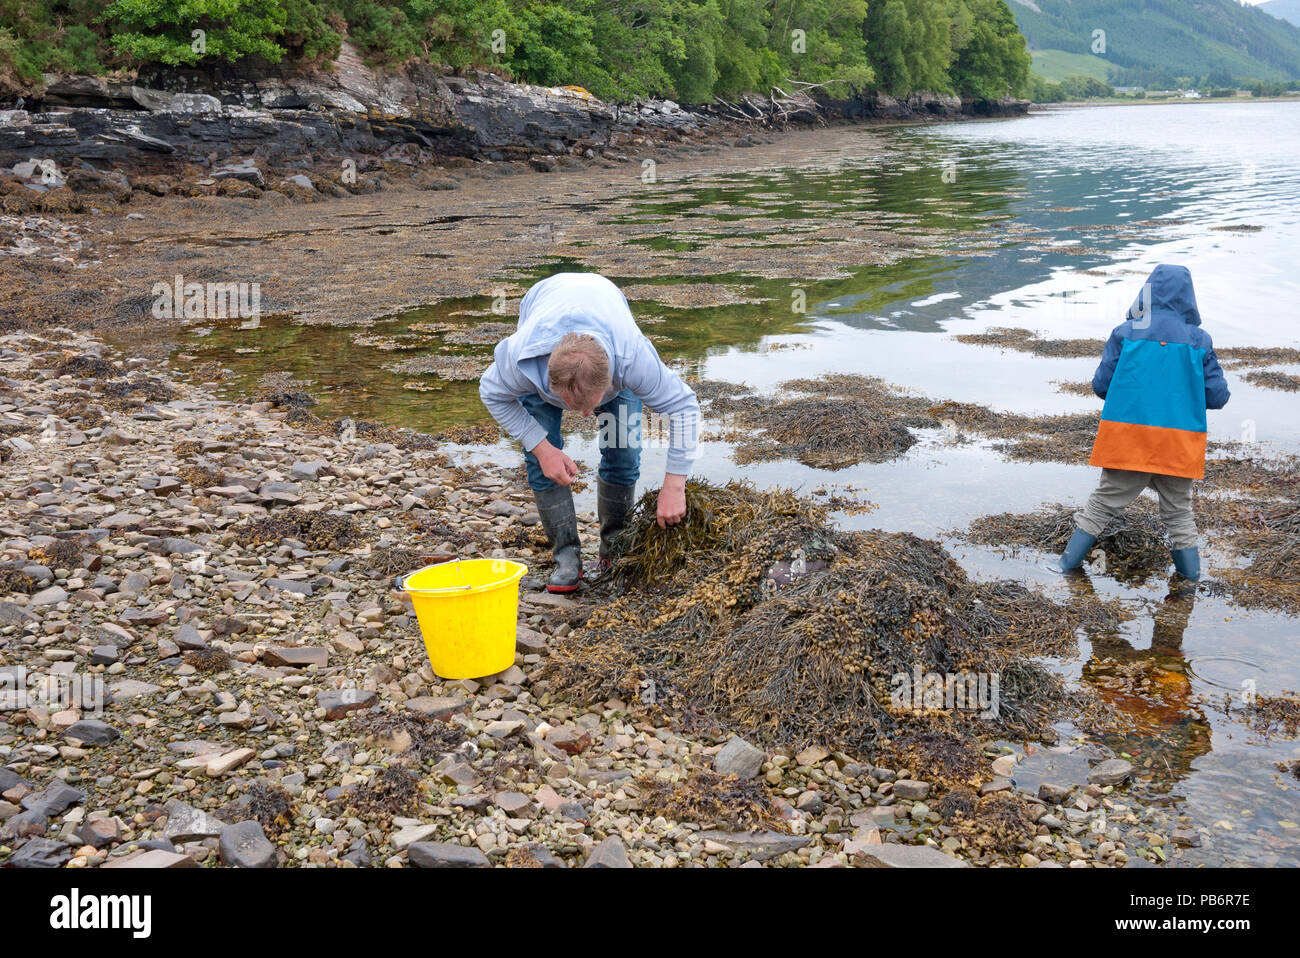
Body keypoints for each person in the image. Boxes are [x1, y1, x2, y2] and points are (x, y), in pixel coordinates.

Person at [479, 272, 701, 592]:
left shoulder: (632, 358)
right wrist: (542, 448)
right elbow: (491, 394)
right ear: (547, 381)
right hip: (545, 302)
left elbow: (684, 409)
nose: (584, 415)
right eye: (569, 403)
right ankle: (567, 558)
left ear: (611, 380)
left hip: (604, 302)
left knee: (623, 450)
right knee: (543, 459)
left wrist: (675, 484)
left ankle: (614, 550)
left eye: (591, 406)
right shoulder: (520, 361)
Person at [1060, 264, 1230, 580]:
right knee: (1179, 516)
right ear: (1188, 298)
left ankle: (1065, 569)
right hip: (1177, 444)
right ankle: (1189, 588)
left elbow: (1101, 386)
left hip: (1128, 439)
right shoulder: (1199, 341)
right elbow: (1218, 397)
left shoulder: (1125, 333)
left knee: (1100, 508)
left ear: (1147, 294)